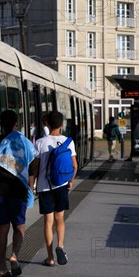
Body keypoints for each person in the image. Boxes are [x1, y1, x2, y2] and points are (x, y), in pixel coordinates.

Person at [0, 110, 38, 277]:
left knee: (3, 227)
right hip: (18, 190)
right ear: (16, 124)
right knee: (19, 225)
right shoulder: (25, 143)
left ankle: (1, 266)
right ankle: (14, 255)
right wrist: (30, 188)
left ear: (1, 125)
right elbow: (32, 169)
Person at [34, 111, 78, 267]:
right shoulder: (68, 142)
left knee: (48, 221)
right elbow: (74, 166)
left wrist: (32, 184)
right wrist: (70, 181)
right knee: (60, 218)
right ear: (61, 125)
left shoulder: (40, 143)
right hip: (61, 186)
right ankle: (60, 246)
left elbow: (35, 168)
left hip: (45, 187)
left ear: (47, 124)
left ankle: (50, 257)